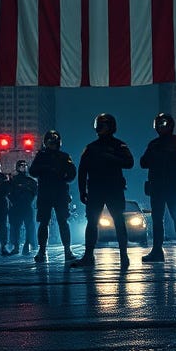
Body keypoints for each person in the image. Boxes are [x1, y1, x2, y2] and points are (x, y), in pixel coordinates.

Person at [71, 113, 135, 269]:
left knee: (119, 221)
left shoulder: (119, 146)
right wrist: (81, 191)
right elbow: (82, 170)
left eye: (103, 125)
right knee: (92, 223)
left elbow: (129, 162)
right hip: (96, 190)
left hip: (114, 189)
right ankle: (88, 256)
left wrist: (110, 157)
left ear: (111, 127)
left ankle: (123, 256)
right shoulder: (91, 148)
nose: (99, 128)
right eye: (98, 125)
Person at [140, 113, 176, 265]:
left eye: (162, 124)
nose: (160, 127)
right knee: (160, 219)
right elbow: (143, 162)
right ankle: (159, 251)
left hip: (171, 188)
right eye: (159, 124)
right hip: (160, 188)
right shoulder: (155, 144)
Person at [29, 130, 78, 263]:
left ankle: (67, 250)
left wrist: (62, 175)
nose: (52, 145)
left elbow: (72, 174)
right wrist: (46, 168)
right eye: (50, 142)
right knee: (44, 222)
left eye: (54, 142)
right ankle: (42, 251)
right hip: (45, 193)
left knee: (63, 221)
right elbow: (32, 171)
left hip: (60, 193)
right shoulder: (41, 156)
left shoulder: (64, 156)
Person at [6, 160, 38, 255]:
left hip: (27, 206)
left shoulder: (31, 181)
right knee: (15, 227)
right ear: (17, 167)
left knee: (29, 227)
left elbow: (35, 193)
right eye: (20, 165)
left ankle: (27, 245)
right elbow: (9, 192)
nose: (22, 167)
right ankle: (16, 246)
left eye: (24, 165)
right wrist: (14, 201)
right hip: (16, 207)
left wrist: (30, 201)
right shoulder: (13, 180)